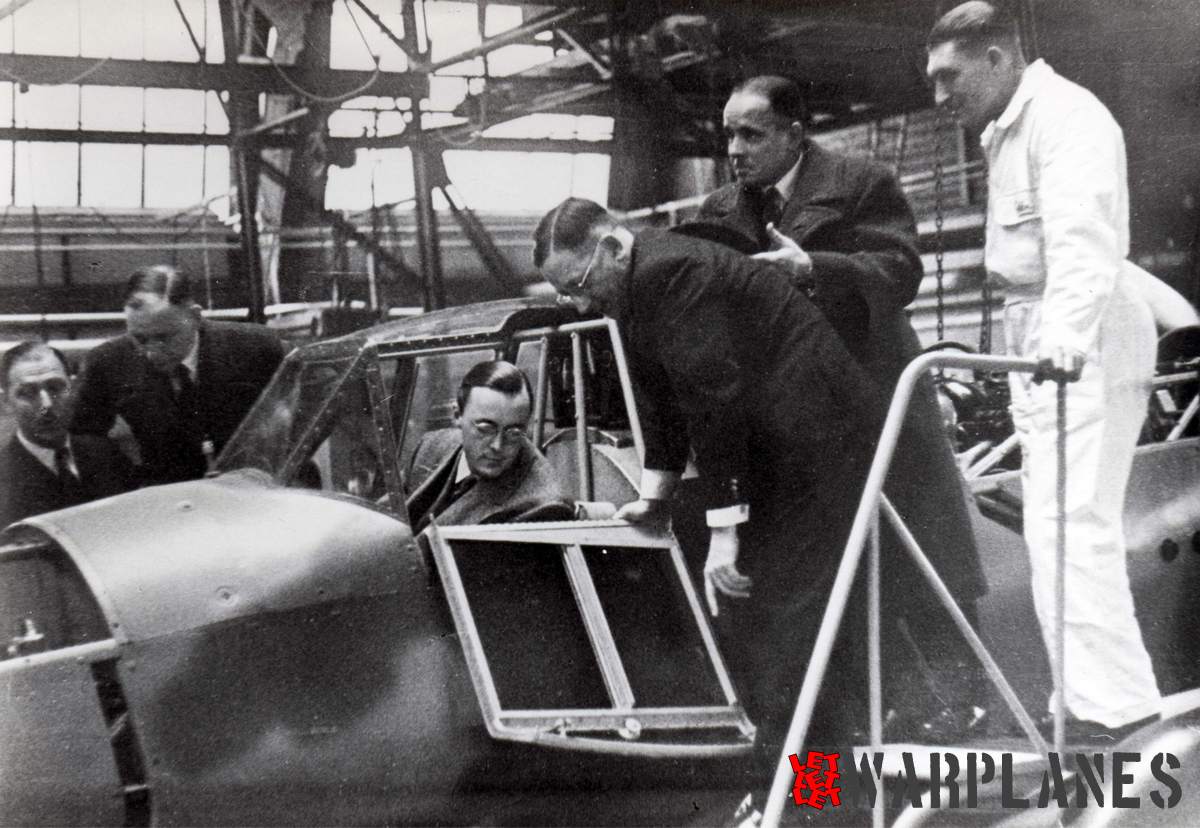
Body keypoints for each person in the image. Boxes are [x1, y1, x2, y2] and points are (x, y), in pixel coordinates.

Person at [535, 197, 881, 783]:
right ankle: (804, 792)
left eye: (580, 284)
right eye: (565, 294)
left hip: (820, 439)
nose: (579, 303)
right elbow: (663, 403)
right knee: (774, 618)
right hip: (785, 443)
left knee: (791, 620)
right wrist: (655, 495)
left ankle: (809, 800)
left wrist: (726, 530)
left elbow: (712, 401)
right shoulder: (630, 287)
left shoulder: (668, 273)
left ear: (613, 247)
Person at [697, 74, 988, 739]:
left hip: (874, 405)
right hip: (790, 427)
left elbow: (901, 271)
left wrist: (814, 270)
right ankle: (835, 752)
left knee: (915, 560)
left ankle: (955, 711)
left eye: (752, 133)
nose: (735, 150)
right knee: (816, 591)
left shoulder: (861, 182)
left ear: (796, 132)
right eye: (728, 135)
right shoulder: (721, 210)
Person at [927, 1, 1161, 741]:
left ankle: (1112, 709)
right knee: (1053, 526)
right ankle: (1083, 697)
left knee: (1073, 522)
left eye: (948, 76)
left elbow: (1084, 241)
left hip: (1082, 330)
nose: (939, 96)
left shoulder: (1068, 117)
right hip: (1041, 331)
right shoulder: (1008, 130)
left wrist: (1060, 344)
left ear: (997, 58)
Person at [71, 265, 285, 486]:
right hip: (168, 499)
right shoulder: (106, 362)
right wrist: (124, 490)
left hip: (256, 490)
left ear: (195, 316)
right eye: (140, 339)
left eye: (164, 337)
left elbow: (299, 419)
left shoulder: (257, 347)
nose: (152, 352)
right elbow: (84, 433)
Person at [405, 360, 575, 531]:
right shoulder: (429, 446)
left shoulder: (545, 508)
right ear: (457, 415)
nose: (498, 446)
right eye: (485, 428)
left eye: (513, 432)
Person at [0, 341, 133, 528]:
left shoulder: (106, 452)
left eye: (55, 388)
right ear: (6, 402)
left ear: (72, 389)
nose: (46, 405)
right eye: (28, 393)